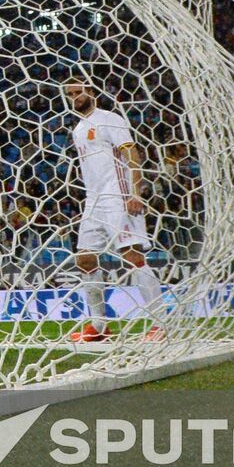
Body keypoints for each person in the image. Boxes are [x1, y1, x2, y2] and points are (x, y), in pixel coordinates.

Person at [62, 74, 162, 343]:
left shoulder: (110, 118)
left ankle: (161, 323)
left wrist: (134, 192)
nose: (74, 98)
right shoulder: (78, 129)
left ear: (91, 91)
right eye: (70, 95)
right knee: (84, 259)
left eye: (78, 92)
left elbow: (132, 153)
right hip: (93, 201)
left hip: (118, 197)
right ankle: (100, 326)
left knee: (132, 256)